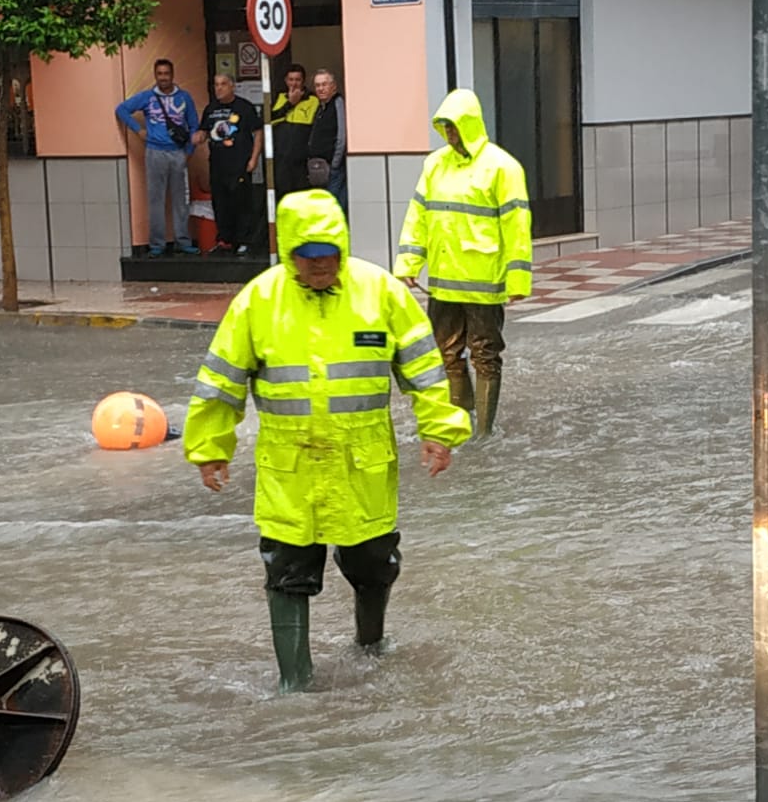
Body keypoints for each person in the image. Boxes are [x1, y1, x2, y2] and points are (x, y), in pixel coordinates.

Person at [184, 189, 471, 693]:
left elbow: (425, 369)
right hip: (289, 471)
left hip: (363, 466)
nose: (321, 266)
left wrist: (439, 432)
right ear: (290, 252)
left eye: (329, 255)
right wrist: (210, 449)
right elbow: (220, 381)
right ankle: (295, 685)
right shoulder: (258, 301)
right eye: (309, 257)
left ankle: (372, 649)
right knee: (286, 574)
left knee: (374, 567)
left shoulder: (381, 293)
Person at [394, 89, 531, 437]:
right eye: (445, 128)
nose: (450, 134)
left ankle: (484, 431)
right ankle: (462, 424)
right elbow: (419, 215)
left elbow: (516, 227)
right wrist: (409, 262)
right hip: (443, 281)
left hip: (484, 282)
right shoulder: (435, 164)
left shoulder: (503, 168)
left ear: (469, 125)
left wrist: (517, 282)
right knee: (445, 353)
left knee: (485, 354)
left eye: (454, 127)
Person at [115, 59, 203, 257]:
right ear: (156, 76)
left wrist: (189, 152)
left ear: (172, 75)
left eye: (166, 73)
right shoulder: (147, 97)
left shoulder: (184, 97)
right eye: (160, 74)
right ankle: (157, 244)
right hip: (154, 152)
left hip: (178, 153)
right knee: (156, 200)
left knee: (181, 200)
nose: (163, 78)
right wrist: (138, 130)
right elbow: (121, 110)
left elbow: (194, 126)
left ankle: (183, 241)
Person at [204, 74, 262, 256]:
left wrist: (254, 158)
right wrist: (199, 136)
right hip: (218, 165)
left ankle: (244, 241)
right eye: (216, 85)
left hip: (240, 165)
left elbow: (258, 133)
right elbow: (204, 131)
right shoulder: (210, 108)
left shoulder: (244, 107)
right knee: (221, 204)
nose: (218, 88)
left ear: (232, 86)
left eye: (223, 84)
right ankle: (224, 240)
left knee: (242, 204)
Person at [270, 64, 318, 199]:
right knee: (283, 197)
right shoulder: (278, 98)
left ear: (303, 81)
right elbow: (267, 119)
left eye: (297, 80)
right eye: (291, 80)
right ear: (286, 81)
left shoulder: (313, 100)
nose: (294, 83)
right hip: (281, 159)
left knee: (302, 198)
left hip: (301, 160)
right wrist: (290, 104)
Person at [309, 69, 348, 214]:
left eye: (324, 84)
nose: (320, 88)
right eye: (317, 85)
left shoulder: (337, 103)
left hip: (332, 168)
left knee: (332, 208)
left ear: (333, 86)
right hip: (319, 169)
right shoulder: (320, 107)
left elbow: (341, 135)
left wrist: (335, 163)